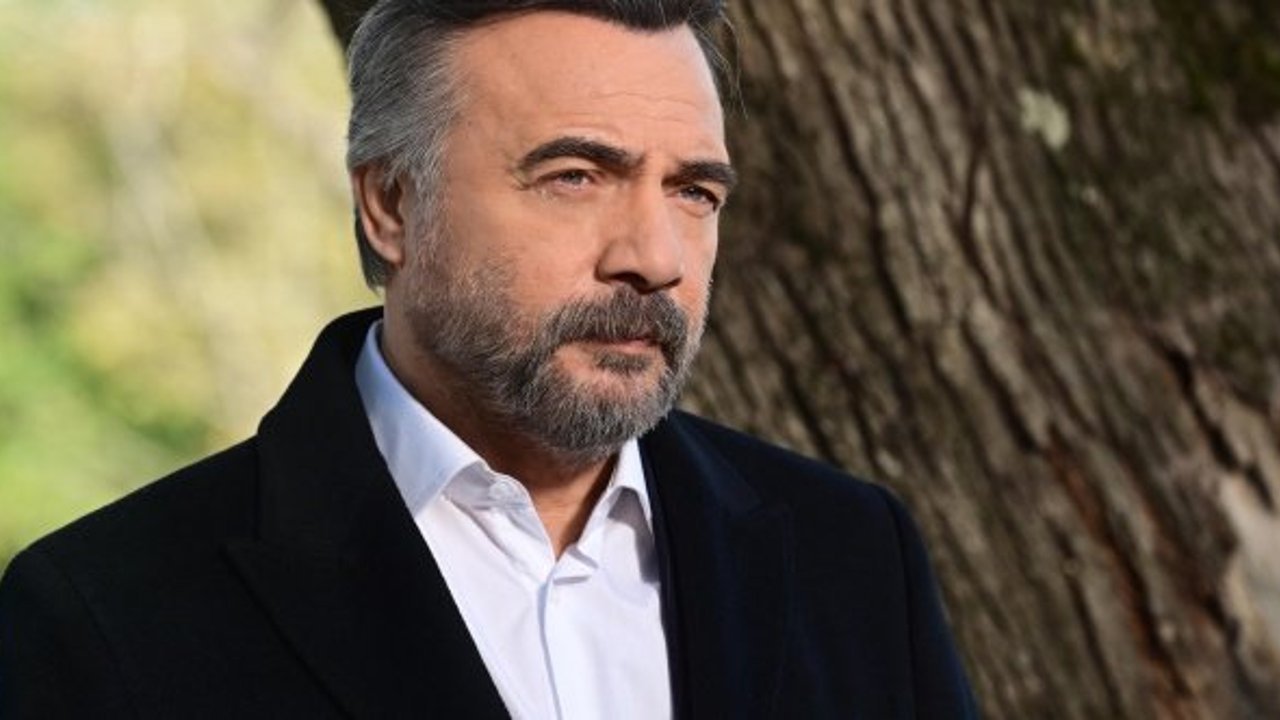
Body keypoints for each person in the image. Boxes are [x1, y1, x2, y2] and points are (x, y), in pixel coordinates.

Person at [0, 0, 978, 717]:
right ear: (391, 204)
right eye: (575, 176)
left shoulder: (852, 556)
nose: (653, 257)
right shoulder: (103, 619)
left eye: (693, 192)